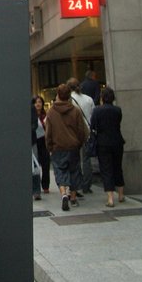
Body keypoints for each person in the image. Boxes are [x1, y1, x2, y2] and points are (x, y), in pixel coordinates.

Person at [45, 84, 87, 212]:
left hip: (58, 147)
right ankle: (73, 198)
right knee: (74, 171)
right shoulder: (75, 111)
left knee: (60, 170)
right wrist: (80, 142)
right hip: (73, 146)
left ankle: (63, 193)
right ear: (69, 96)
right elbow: (82, 131)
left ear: (58, 95)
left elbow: (48, 133)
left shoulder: (51, 112)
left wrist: (49, 146)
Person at [90, 87, 125, 208]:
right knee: (118, 167)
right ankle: (121, 194)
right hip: (117, 141)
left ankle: (110, 198)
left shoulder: (97, 111)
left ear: (102, 98)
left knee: (106, 169)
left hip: (103, 142)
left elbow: (93, 126)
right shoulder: (117, 110)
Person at [66, 77, 95, 194]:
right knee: (86, 160)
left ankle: (76, 185)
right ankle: (87, 185)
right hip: (87, 132)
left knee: (75, 160)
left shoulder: (69, 100)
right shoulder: (89, 99)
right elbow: (93, 116)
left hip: (73, 133)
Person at [33, 96, 50, 194]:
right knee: (36, 165)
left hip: (44, 141)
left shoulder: (46, 115)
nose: (38, 104)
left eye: (39, 102)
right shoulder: (32, 116)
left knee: (46, 164)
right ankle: (37, 186)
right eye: (36, 102)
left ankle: (45, 186)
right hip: (35, 142)